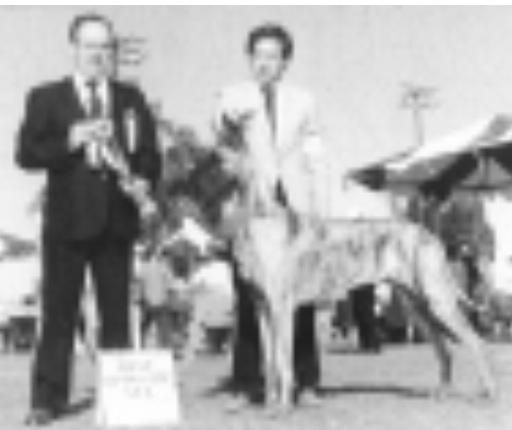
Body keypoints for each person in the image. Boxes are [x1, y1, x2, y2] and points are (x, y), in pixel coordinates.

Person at [16, 13, 160, 426]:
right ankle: (47, 400)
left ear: (112, 50)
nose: (98, 54)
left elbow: (149, 154)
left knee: (117, 315)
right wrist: (71, 139)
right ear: (74, 49)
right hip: (65, 224)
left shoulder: (131, 98)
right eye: (89, 46)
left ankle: (120, 401)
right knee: (59, 314)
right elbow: (26, 154)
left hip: (116, 222)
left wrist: (144, 180)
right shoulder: (45, 97)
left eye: (105, 46)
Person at [214, 22, 327, 407]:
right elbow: (220, 133)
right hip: (253, 208)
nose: (264, 62)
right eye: (258, 55)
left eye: (272, 56)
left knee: (300, 294)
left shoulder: (305, 100)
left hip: (296, 208)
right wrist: (230, 118)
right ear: (250, 59)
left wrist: (319, 205)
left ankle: (306, 382)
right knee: (250, 294)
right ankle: (248, 383)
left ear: (285, 62)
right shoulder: (233, 96)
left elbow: (315, 153)